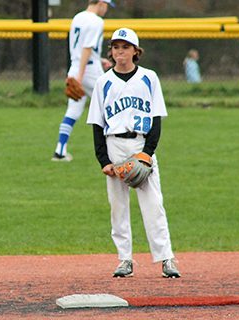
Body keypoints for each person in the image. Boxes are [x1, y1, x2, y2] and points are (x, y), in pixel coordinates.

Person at [86, 28, 180, 278]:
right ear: (111, 52)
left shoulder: (149, 78)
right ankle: (124, 259)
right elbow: (97, 123)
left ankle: (166, 258)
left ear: (136, 51)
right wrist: (103, 160)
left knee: (154, 204)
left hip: (141, 145)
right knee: (118, 207)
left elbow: (156, 118)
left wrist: (148, 152)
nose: (120, 52)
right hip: (114, 145)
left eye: (125, 47)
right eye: (116, 47)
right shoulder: (103, 82)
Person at [51, 0, 115, 162]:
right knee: (113, 104)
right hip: (88, 71)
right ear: (100, 3)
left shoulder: (78, 17)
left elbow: (82, 49)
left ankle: (60, 151)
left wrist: (98, 59)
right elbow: (87, 47)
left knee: (73, 110)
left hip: (76, 67)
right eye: (107, 5)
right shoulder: (96, 21)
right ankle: (116, 150)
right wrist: (81, 76)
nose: (106, 9)